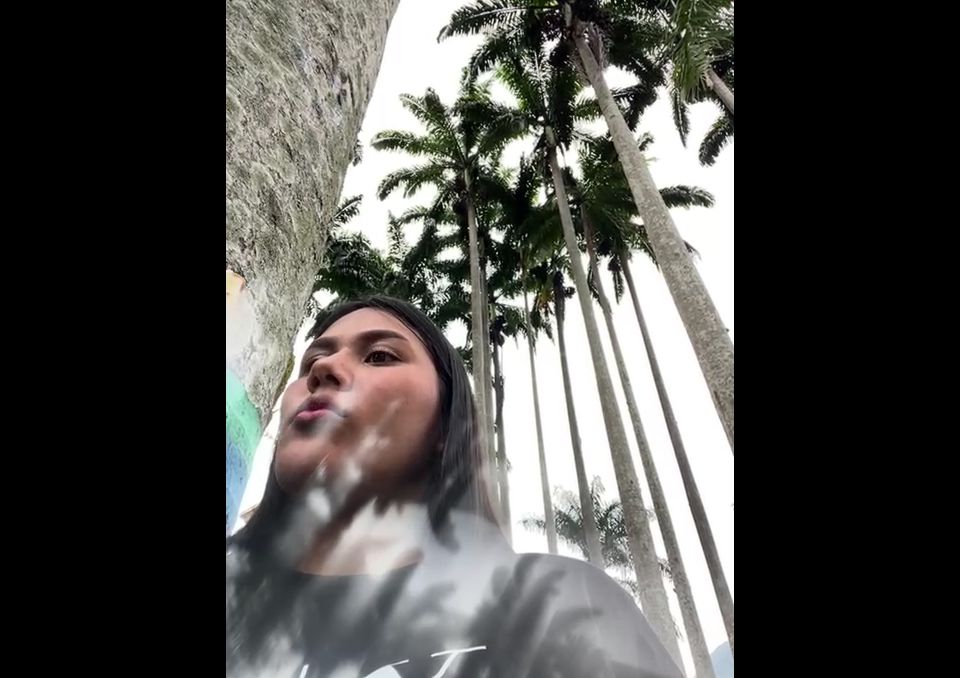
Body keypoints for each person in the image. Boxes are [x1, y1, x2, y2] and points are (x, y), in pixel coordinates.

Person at [227, 296, 682, 678]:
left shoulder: (552, 603)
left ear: (445, 425)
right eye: (311, 361)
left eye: (379, 356)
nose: (324, 368)